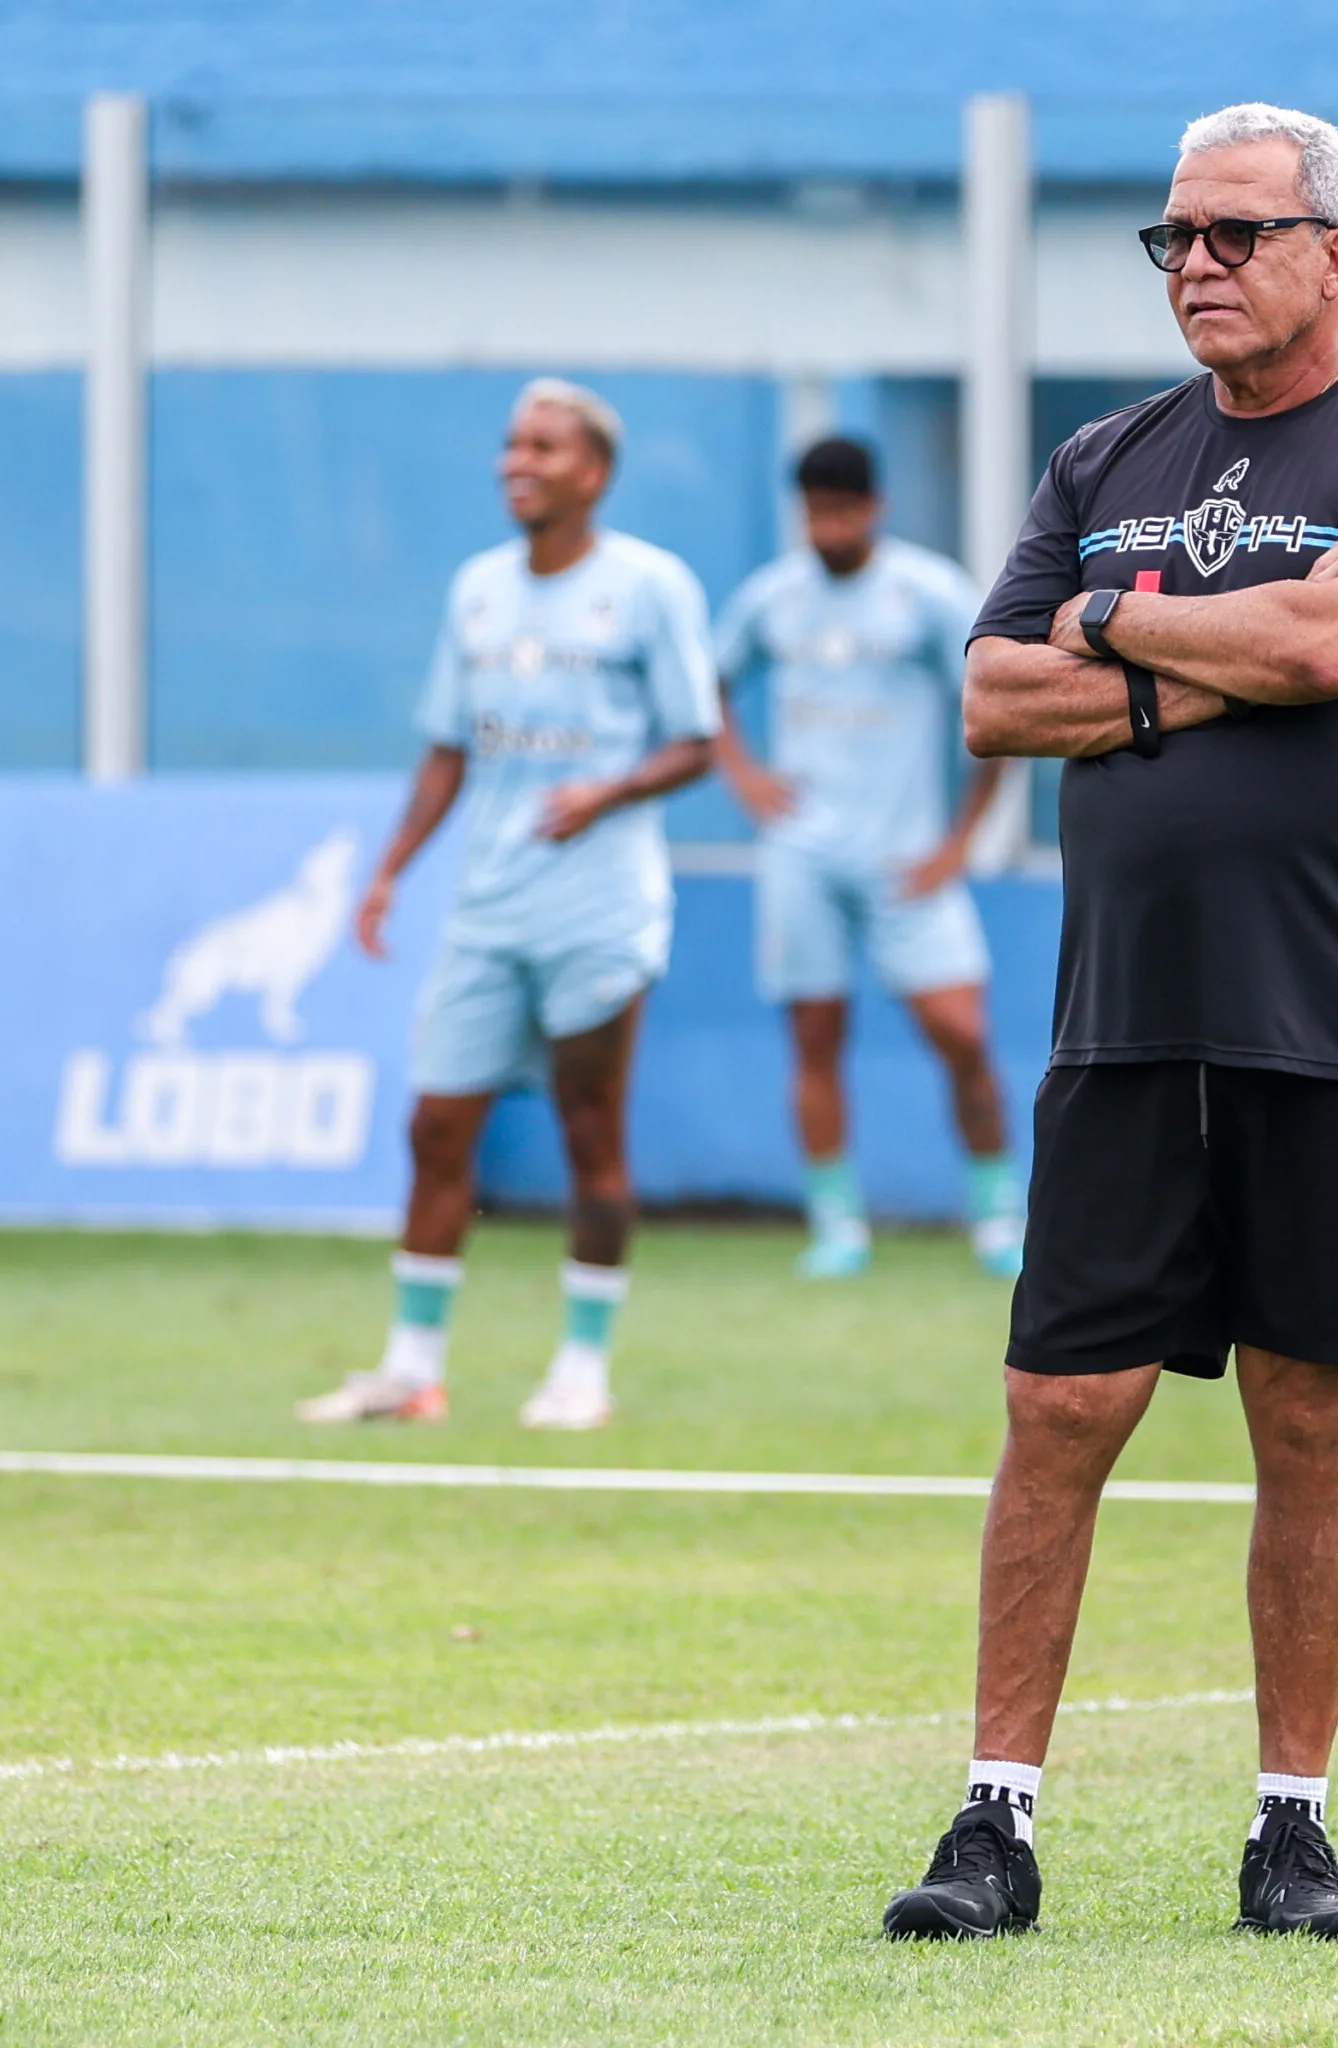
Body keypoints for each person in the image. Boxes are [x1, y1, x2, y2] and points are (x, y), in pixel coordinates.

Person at [878, 102, 1338, 1942]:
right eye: (1175, 240)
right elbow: (995, 693)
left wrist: (1126, 630)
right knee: (1058, 1405)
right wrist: (1199, 641)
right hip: (1129, 1021)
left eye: (1236, 233)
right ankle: (994, 1821)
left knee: (1315, 1416)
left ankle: (1290, 1830)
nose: (1199, 267)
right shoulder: (1104, 453)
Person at [296, 379, 719, 1432]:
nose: (515, 461)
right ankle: (412, 1371)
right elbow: (449, 743)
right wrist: (393, 866)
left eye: (542, 445)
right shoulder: (478, 588)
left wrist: (606, 791)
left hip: (598, 906)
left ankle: (581, 1370)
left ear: (594, 472)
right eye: (510, 444)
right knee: (438, 1126)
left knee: (590, 1131)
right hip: (488, 905)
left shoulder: (649, 586)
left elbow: (696, 739)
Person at [713, 436, 1024, 1280]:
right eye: (816, 513)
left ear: (875, 507)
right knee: (814, 1039)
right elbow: (705, 687)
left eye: (843, 511)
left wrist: (961, 841)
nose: (829, 527)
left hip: (906, 861)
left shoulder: (926, 593)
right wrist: (746, 779)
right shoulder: (772, 599)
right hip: (801, 859)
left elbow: (998, 704)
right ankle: (836, 1225)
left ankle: (999, 1216)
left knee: (962, 1035)